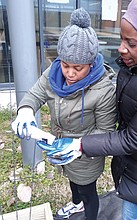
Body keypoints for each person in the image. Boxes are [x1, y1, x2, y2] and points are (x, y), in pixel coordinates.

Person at [36, 0, 137, 219]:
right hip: (131, 155)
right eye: (121, 39)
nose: (121, 48)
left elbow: (133, 138)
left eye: (131, 43)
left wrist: (80, 144)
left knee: (132, 212)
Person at [12, 8, 116, 220]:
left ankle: (90, 215)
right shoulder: (54, 72)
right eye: (66, 65)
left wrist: (78, 145)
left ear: (91, 63)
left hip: (86, 154)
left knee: (87, 191)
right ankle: (76, 204)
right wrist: (25, 110)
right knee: (72, 183)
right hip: (61, 149)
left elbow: (105, 131)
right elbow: (35, 93)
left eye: (78, 68)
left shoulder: (104, 89)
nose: (69, 73)